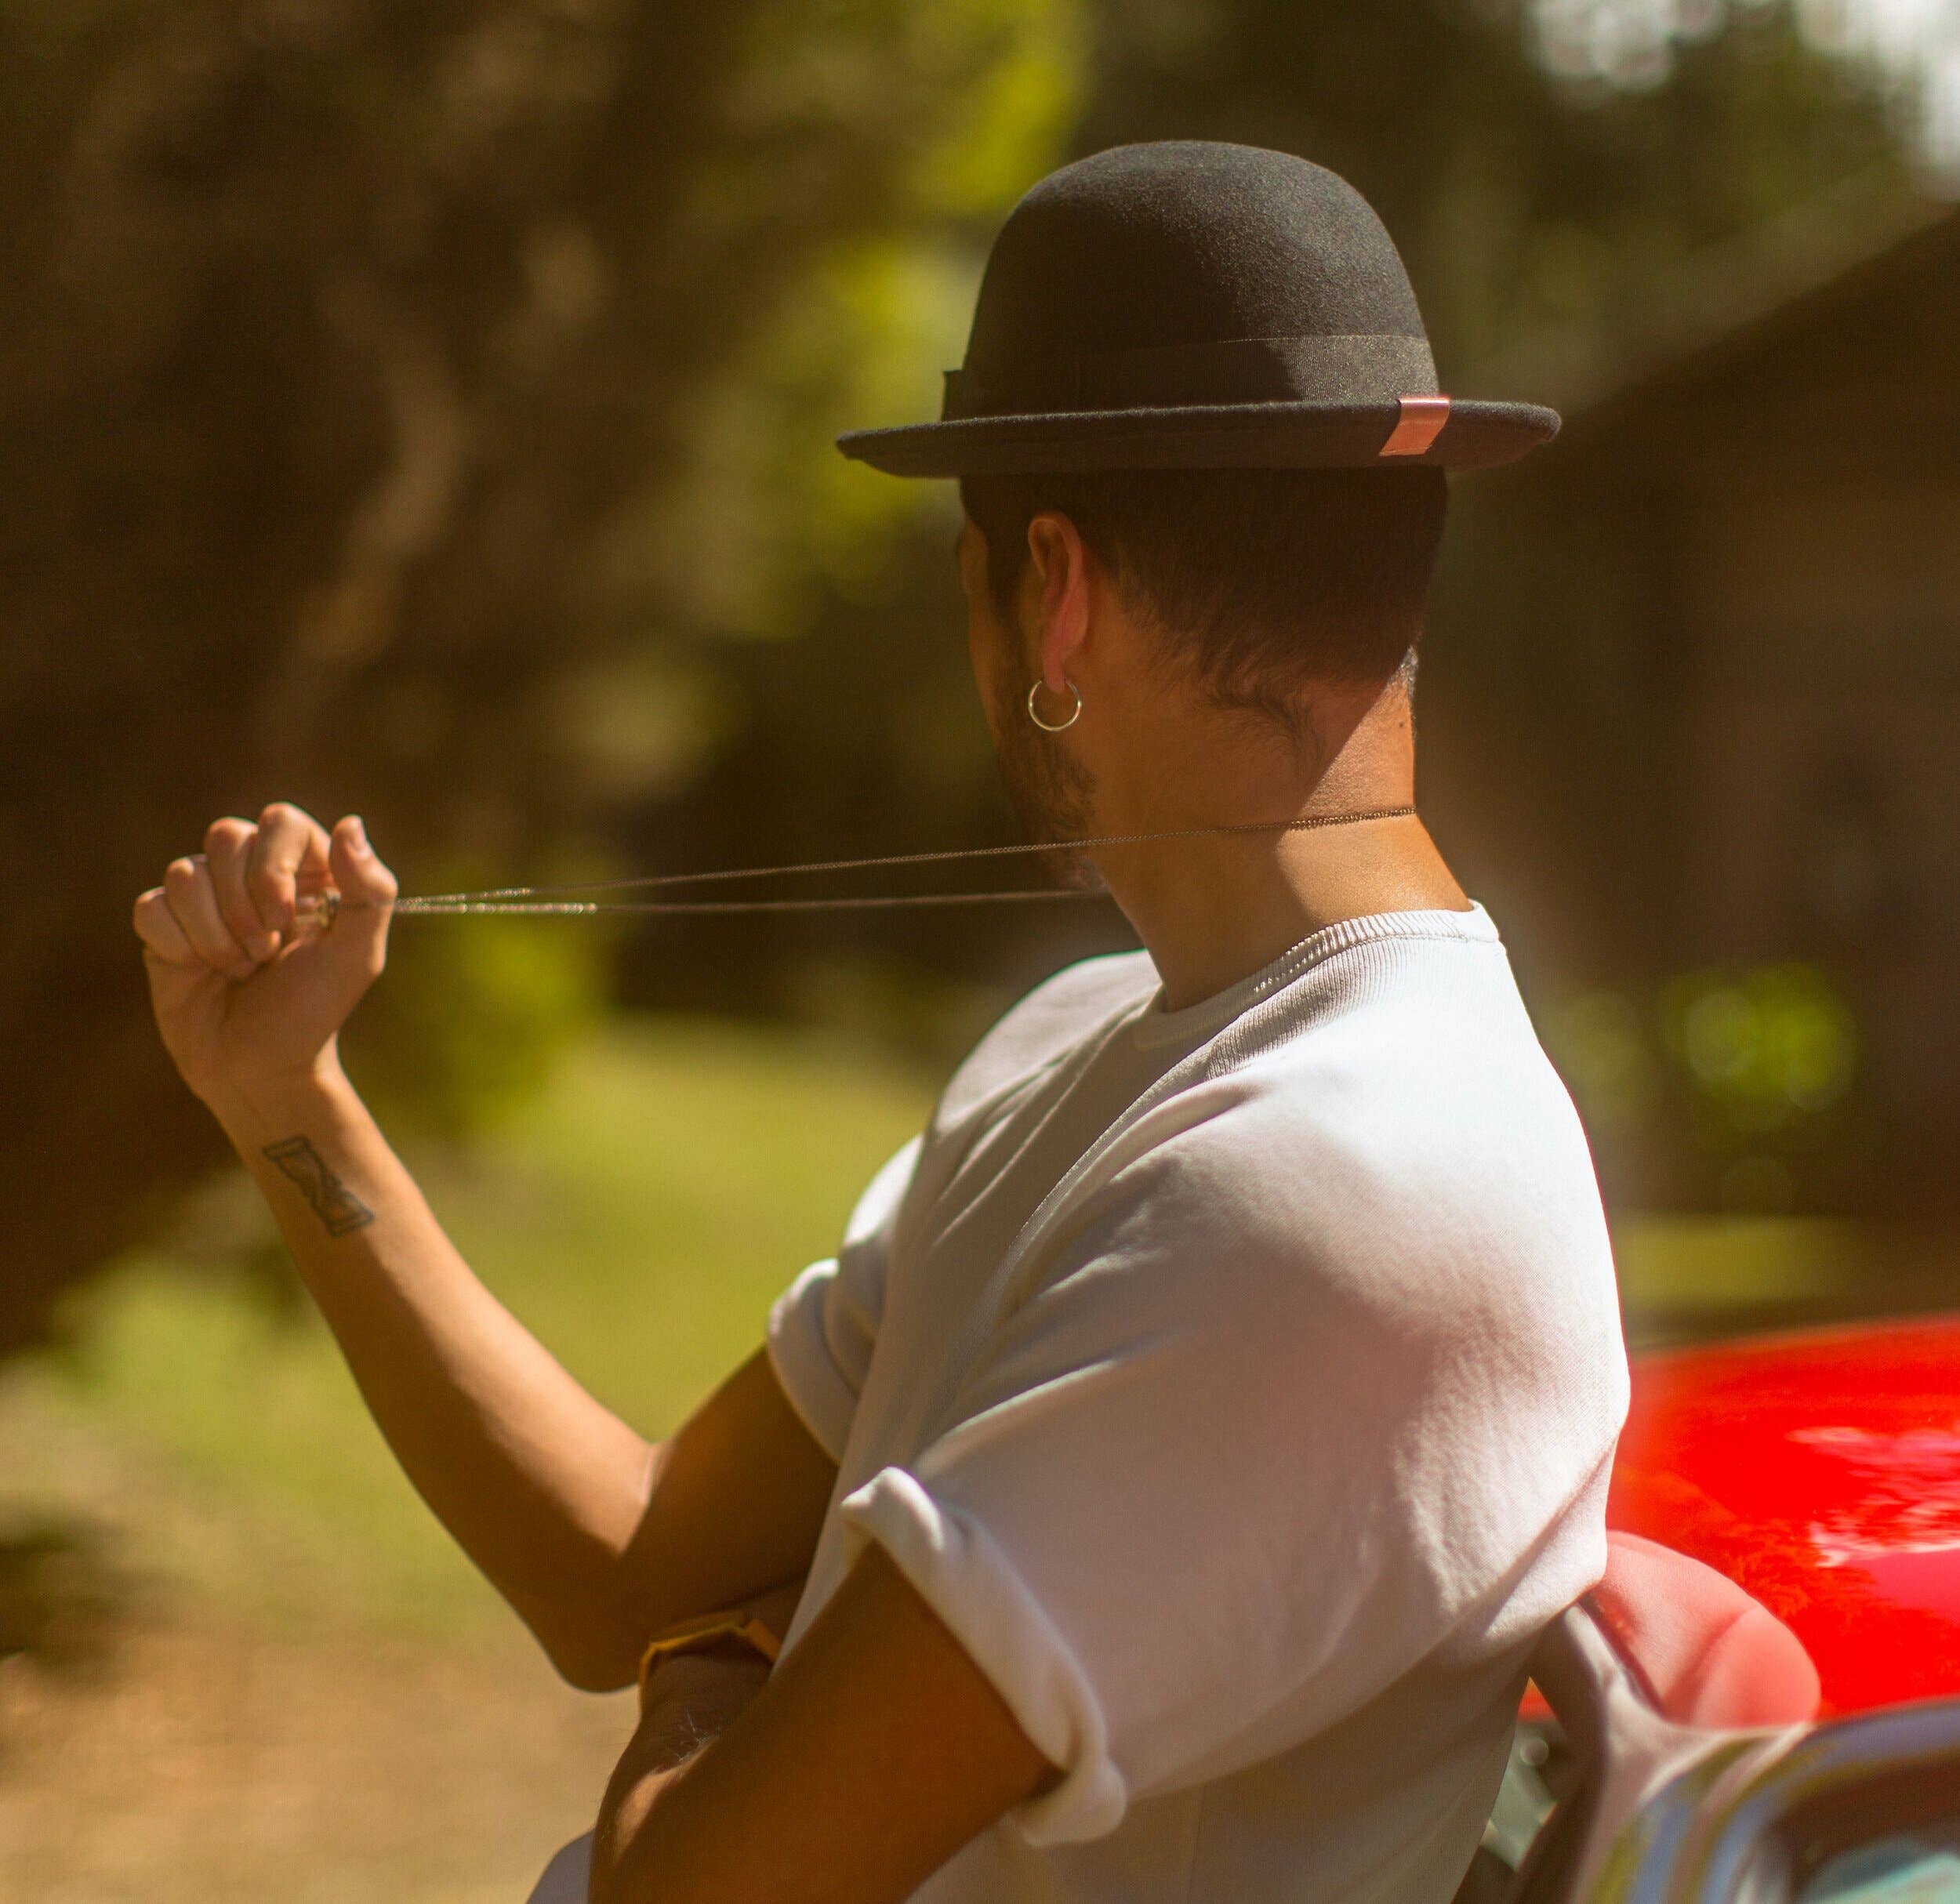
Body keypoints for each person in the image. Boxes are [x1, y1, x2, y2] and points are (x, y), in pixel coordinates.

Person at [132, 142, 1629, 1904]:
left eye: (970, 564)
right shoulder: (1090, 1045)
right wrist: (283, 1098)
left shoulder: (1344, 1200)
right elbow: (622, 1561)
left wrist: (728, 1662)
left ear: (1051, 588)